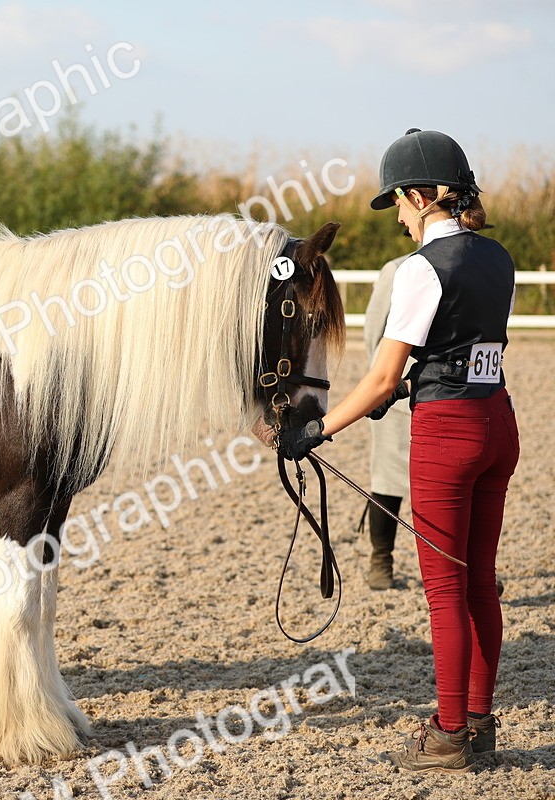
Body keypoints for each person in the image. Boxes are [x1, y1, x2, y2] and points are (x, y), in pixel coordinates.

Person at [280, 129, 520, 772]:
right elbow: (469, 350)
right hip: (499, 423)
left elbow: (381, 377)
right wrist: (416, 382)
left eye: (400, 205)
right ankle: (478, 719)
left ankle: (446, 733)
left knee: (444, 590)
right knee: (479, 587)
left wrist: (317, 430)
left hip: (448, 436)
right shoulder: (499, 258)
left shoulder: (420, 271)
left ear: (420, 195)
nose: (401, 220)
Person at [362, 253, 413, 590]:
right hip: (396, 399)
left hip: (447, 394)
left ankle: (474, 567)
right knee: (388, 480)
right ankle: (381, 559)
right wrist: (382, 384)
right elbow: (373, 333)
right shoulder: (394, 270)